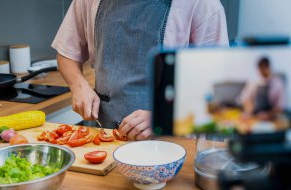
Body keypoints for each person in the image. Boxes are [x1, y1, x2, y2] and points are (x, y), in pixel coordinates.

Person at [52, 0, 229, 140]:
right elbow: (67, 52)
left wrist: (164, 116)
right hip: (107, 138)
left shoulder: (202, 4)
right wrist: (78, 85)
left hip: (174, 143)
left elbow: (218, 87)